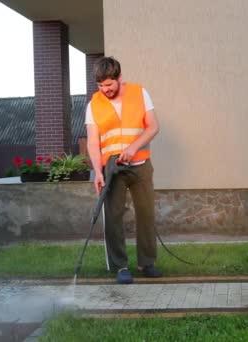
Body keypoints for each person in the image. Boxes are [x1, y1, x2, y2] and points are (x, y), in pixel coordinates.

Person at [85, 56, 161, 284]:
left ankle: (147, 262)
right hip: (112, 169)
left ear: (119, 78)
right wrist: (98, 172)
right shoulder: (93, 104)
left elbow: (153, 126)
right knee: (114, 217)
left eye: (109, 85)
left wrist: (133, 147)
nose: (105, 90)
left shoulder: (140, 93)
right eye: (100, 86)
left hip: (141, 165)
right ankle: (120, 267)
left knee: (146, 214)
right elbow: (92, 141)